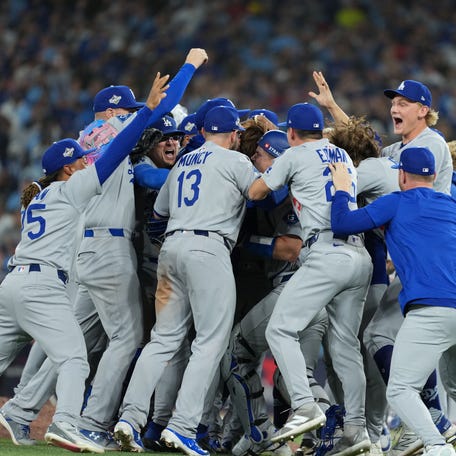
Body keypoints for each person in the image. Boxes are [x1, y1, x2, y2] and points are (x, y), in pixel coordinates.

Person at [0, 71, 170, 453]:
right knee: (76, 356)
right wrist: (147, 112)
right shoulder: (71, 188)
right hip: (45, 282)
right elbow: (116, 148)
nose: (83, 163)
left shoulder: (37, 197)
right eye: (77, 161)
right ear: (66, 168)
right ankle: (70, 424)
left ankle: (21, 409)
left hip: (13, 282)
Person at [113, 105, 256, 456]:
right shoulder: (235, 161)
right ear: (234, 134)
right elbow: (260, 195)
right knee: (209, 343)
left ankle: (129, 419)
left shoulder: (182, 163)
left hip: (171, 249)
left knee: (162, 341)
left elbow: (158, 217)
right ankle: (183, 426)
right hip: (209, 248)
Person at [248, 102, 373, 456]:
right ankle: (356, 430)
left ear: (291, 134)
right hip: (358, 254)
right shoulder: (342, 155)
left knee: (279, 329)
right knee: (346, 347)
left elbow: (256, 192)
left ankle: (304, 406)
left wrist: (272, 173)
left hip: (325, 252)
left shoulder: (294, 153)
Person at [328, 146, 456, 456]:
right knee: (453, 384)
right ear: (435, 176)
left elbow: (342, 223)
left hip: (431, 309)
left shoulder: (396, 202)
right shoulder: (451, 204)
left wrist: (343, 190)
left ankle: (437, 447)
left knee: (400, 389)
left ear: (401, 175)